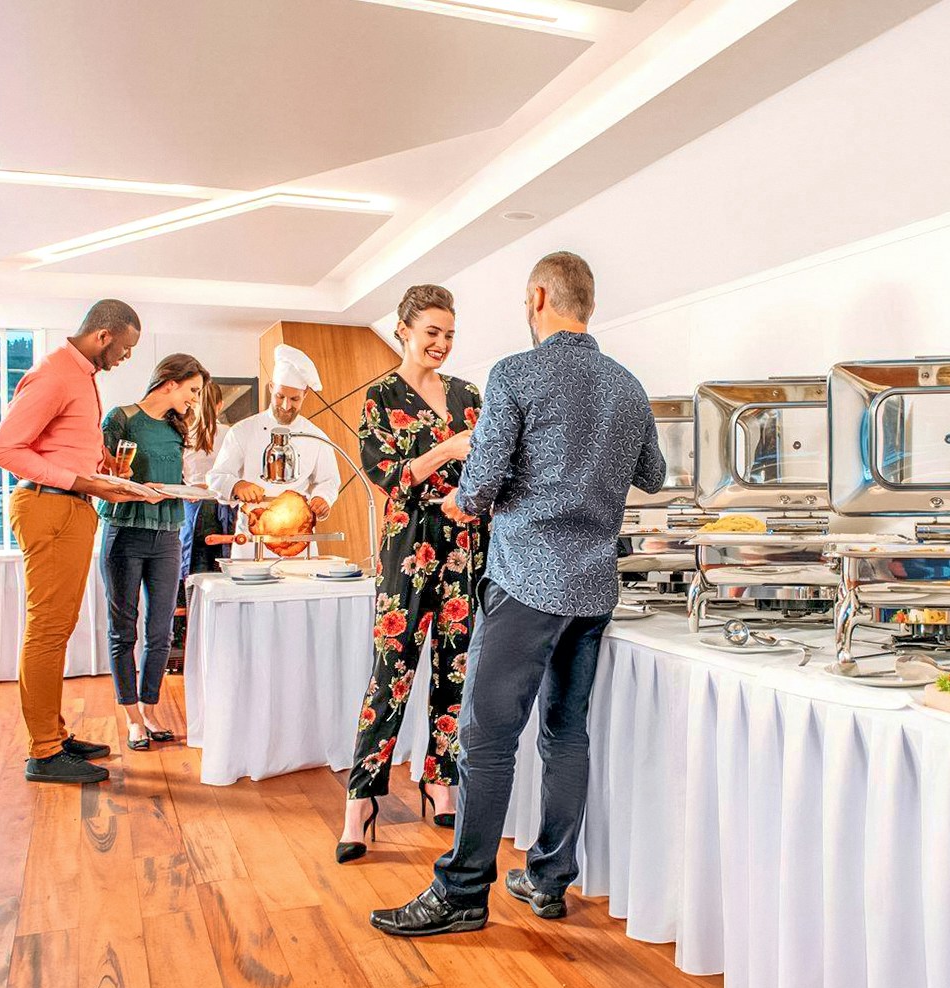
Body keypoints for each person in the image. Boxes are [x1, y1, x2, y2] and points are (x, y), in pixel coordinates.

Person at [370, 252, 666, 936]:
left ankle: (462, 893)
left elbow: (479, 486)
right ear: (586, 303)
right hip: (593, 588)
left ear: (538, 296)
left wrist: (457, 502)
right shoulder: (627, 386)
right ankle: (547, 878)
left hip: (529, 581)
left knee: (486, 738)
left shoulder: (516, 373)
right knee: (566, 732)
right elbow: (650, 474)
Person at [337, 285, 486, 864]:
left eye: (449, 334)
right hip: (408, 549)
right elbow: (390, 478)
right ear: (403, 329)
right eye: (432, 332)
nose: (442, 344)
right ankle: (360, 799)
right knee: (390, 675)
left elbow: (493, 468)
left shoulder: (471, 394)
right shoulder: (380, 396)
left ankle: (438, 779)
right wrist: (450, 450)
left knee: (457, 672)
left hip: (469, 548)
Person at [0, 299, 162, 784]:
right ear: (103, 336)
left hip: (66, 506)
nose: (126, 357)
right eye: (125, 348)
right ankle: (43, 751)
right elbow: (4, 450)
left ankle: (54, 735)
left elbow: (62, 442)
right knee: (47, 630)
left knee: (57, 628)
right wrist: (81, 482)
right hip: (49, 505)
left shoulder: (79, 375)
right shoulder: (55, 374)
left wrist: (102, 463)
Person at [99, 354, 209, 750]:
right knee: (123, 630)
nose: (194, 400)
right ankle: (132, 720)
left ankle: (148, 709)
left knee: (160, 634)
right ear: (169, 383)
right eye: (192, 390)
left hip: (166, 536)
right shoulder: (121, 418)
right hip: (124, 532)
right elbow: (103, 475)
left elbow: (178, 479)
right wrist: (129, 486)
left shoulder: (176, 428)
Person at [205, 345, 339, 556]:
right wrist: (237, 484)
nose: (286, 406)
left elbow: (329, 480)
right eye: (280, 396)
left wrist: (323, 498)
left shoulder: (316, 436)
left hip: (298, 538)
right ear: (270, 388)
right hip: (252, 537)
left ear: (305, 394)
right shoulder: (243, 431)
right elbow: (216, 477)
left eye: (294, 399)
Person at [180, 378, 233, 579]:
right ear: (221, 405)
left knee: (191, 565)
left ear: (194, 403)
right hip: (223, 506)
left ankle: (187, 605)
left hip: (193, 505)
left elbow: (180, 476)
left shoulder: (185, 435)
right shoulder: (230, 434)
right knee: (222, 566)